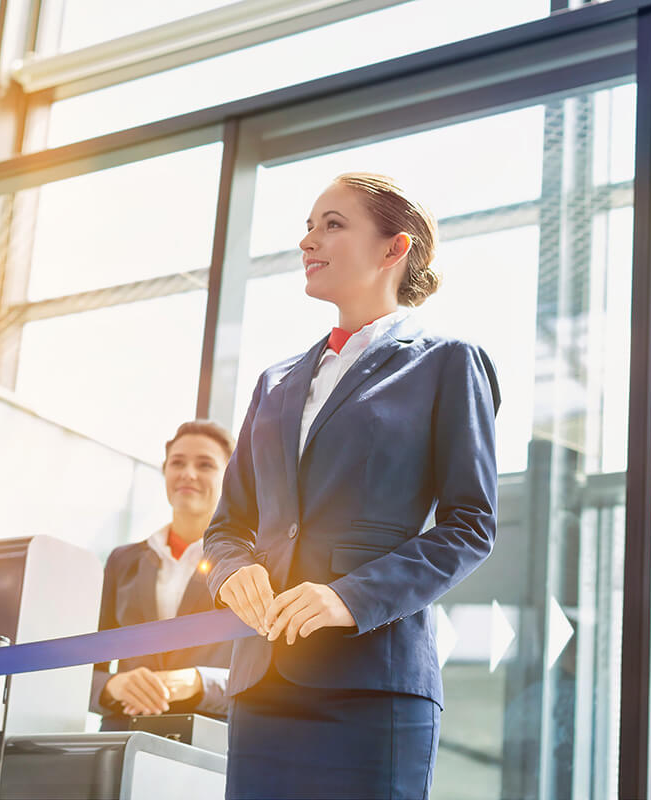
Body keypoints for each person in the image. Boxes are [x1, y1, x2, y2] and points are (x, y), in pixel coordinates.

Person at [204, 172, 501, 799]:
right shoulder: (274, 382)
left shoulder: (448, 361)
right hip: (263, 686)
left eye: (332, 224)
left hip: (373, 684)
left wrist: (351, 597)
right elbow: (227, 525)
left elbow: (470, 525)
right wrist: (232, 571)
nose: (309, 240)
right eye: (309, 226)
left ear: (395, 249)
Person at [91, 420, 236, 728]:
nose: (188, 473)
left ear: (232, 477)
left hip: (204, 737)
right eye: (177, 462)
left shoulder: (247, 565)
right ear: (165, 470)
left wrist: (199, 681)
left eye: (205, 464)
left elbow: (268, 678)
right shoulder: (123, 561)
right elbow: (87, 670)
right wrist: (112, 686)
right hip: (122, 733)